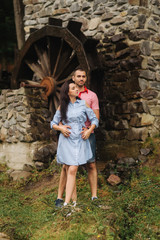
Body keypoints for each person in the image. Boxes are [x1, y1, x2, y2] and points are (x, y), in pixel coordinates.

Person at [55, 68, 100, 207]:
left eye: (84, 76)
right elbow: (58, 118)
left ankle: (93, 197)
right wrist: (61, 127)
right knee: (67, 167)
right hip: (69, 137)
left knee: (90, 164)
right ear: (73, 79)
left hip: (85, 135)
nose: (81, 78)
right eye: (78, 76)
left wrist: (88, 130)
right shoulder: (65, 100)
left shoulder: (91, 96)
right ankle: (62, 198)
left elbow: (95, 117)